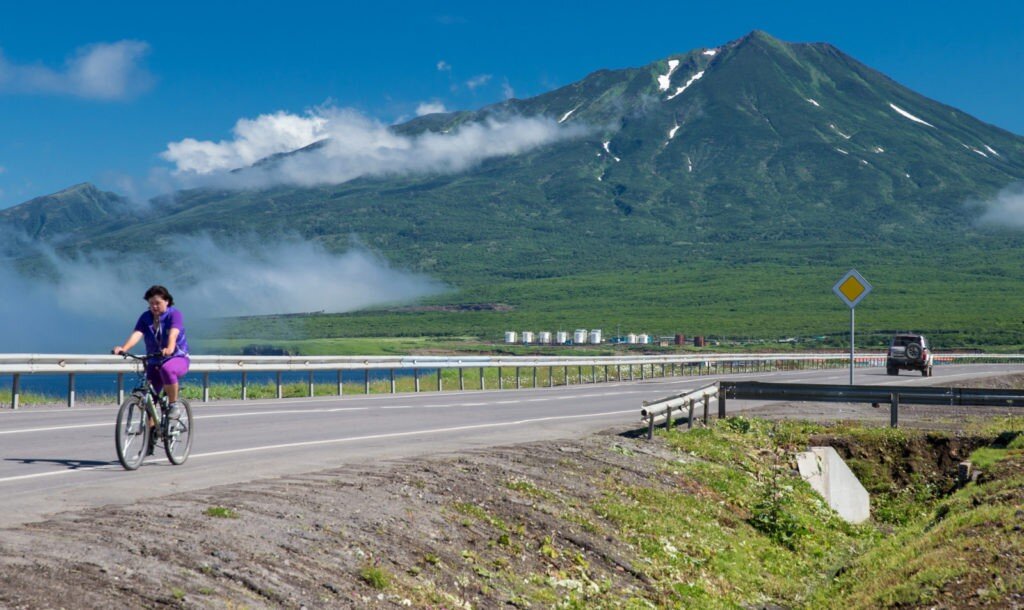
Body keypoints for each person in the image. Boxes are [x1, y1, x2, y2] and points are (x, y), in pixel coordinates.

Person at [113, 285, 190, 422]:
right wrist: (124, 348)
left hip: (177, 358)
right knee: (149, 403)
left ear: (167, 301)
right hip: (154, 360)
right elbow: (137, 333)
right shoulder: (146, 317)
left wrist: (170, 348)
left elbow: (173, 333)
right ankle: (151, 437)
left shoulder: (174, 314)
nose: (154, 307)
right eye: (151, 304)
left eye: (157, 303)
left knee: (167, 369)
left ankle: (173, 405)